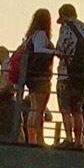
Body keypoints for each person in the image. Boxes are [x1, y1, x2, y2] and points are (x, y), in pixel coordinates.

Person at [54, 4, 84, 148]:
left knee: (66, 110)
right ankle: (79, 141)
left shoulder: (66, 28)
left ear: (64, 15)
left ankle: (68, 139)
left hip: (67, 75)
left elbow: (60, 49)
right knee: (77, 110)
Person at [19, 8, 55, 144]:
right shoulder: (41, 34)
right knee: (38, 110)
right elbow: (40, 50)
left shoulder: (31, 37)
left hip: (32, 78)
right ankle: (38, 139)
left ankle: (32, 138)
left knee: (34, 108)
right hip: (41, 77)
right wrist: (54, 51)